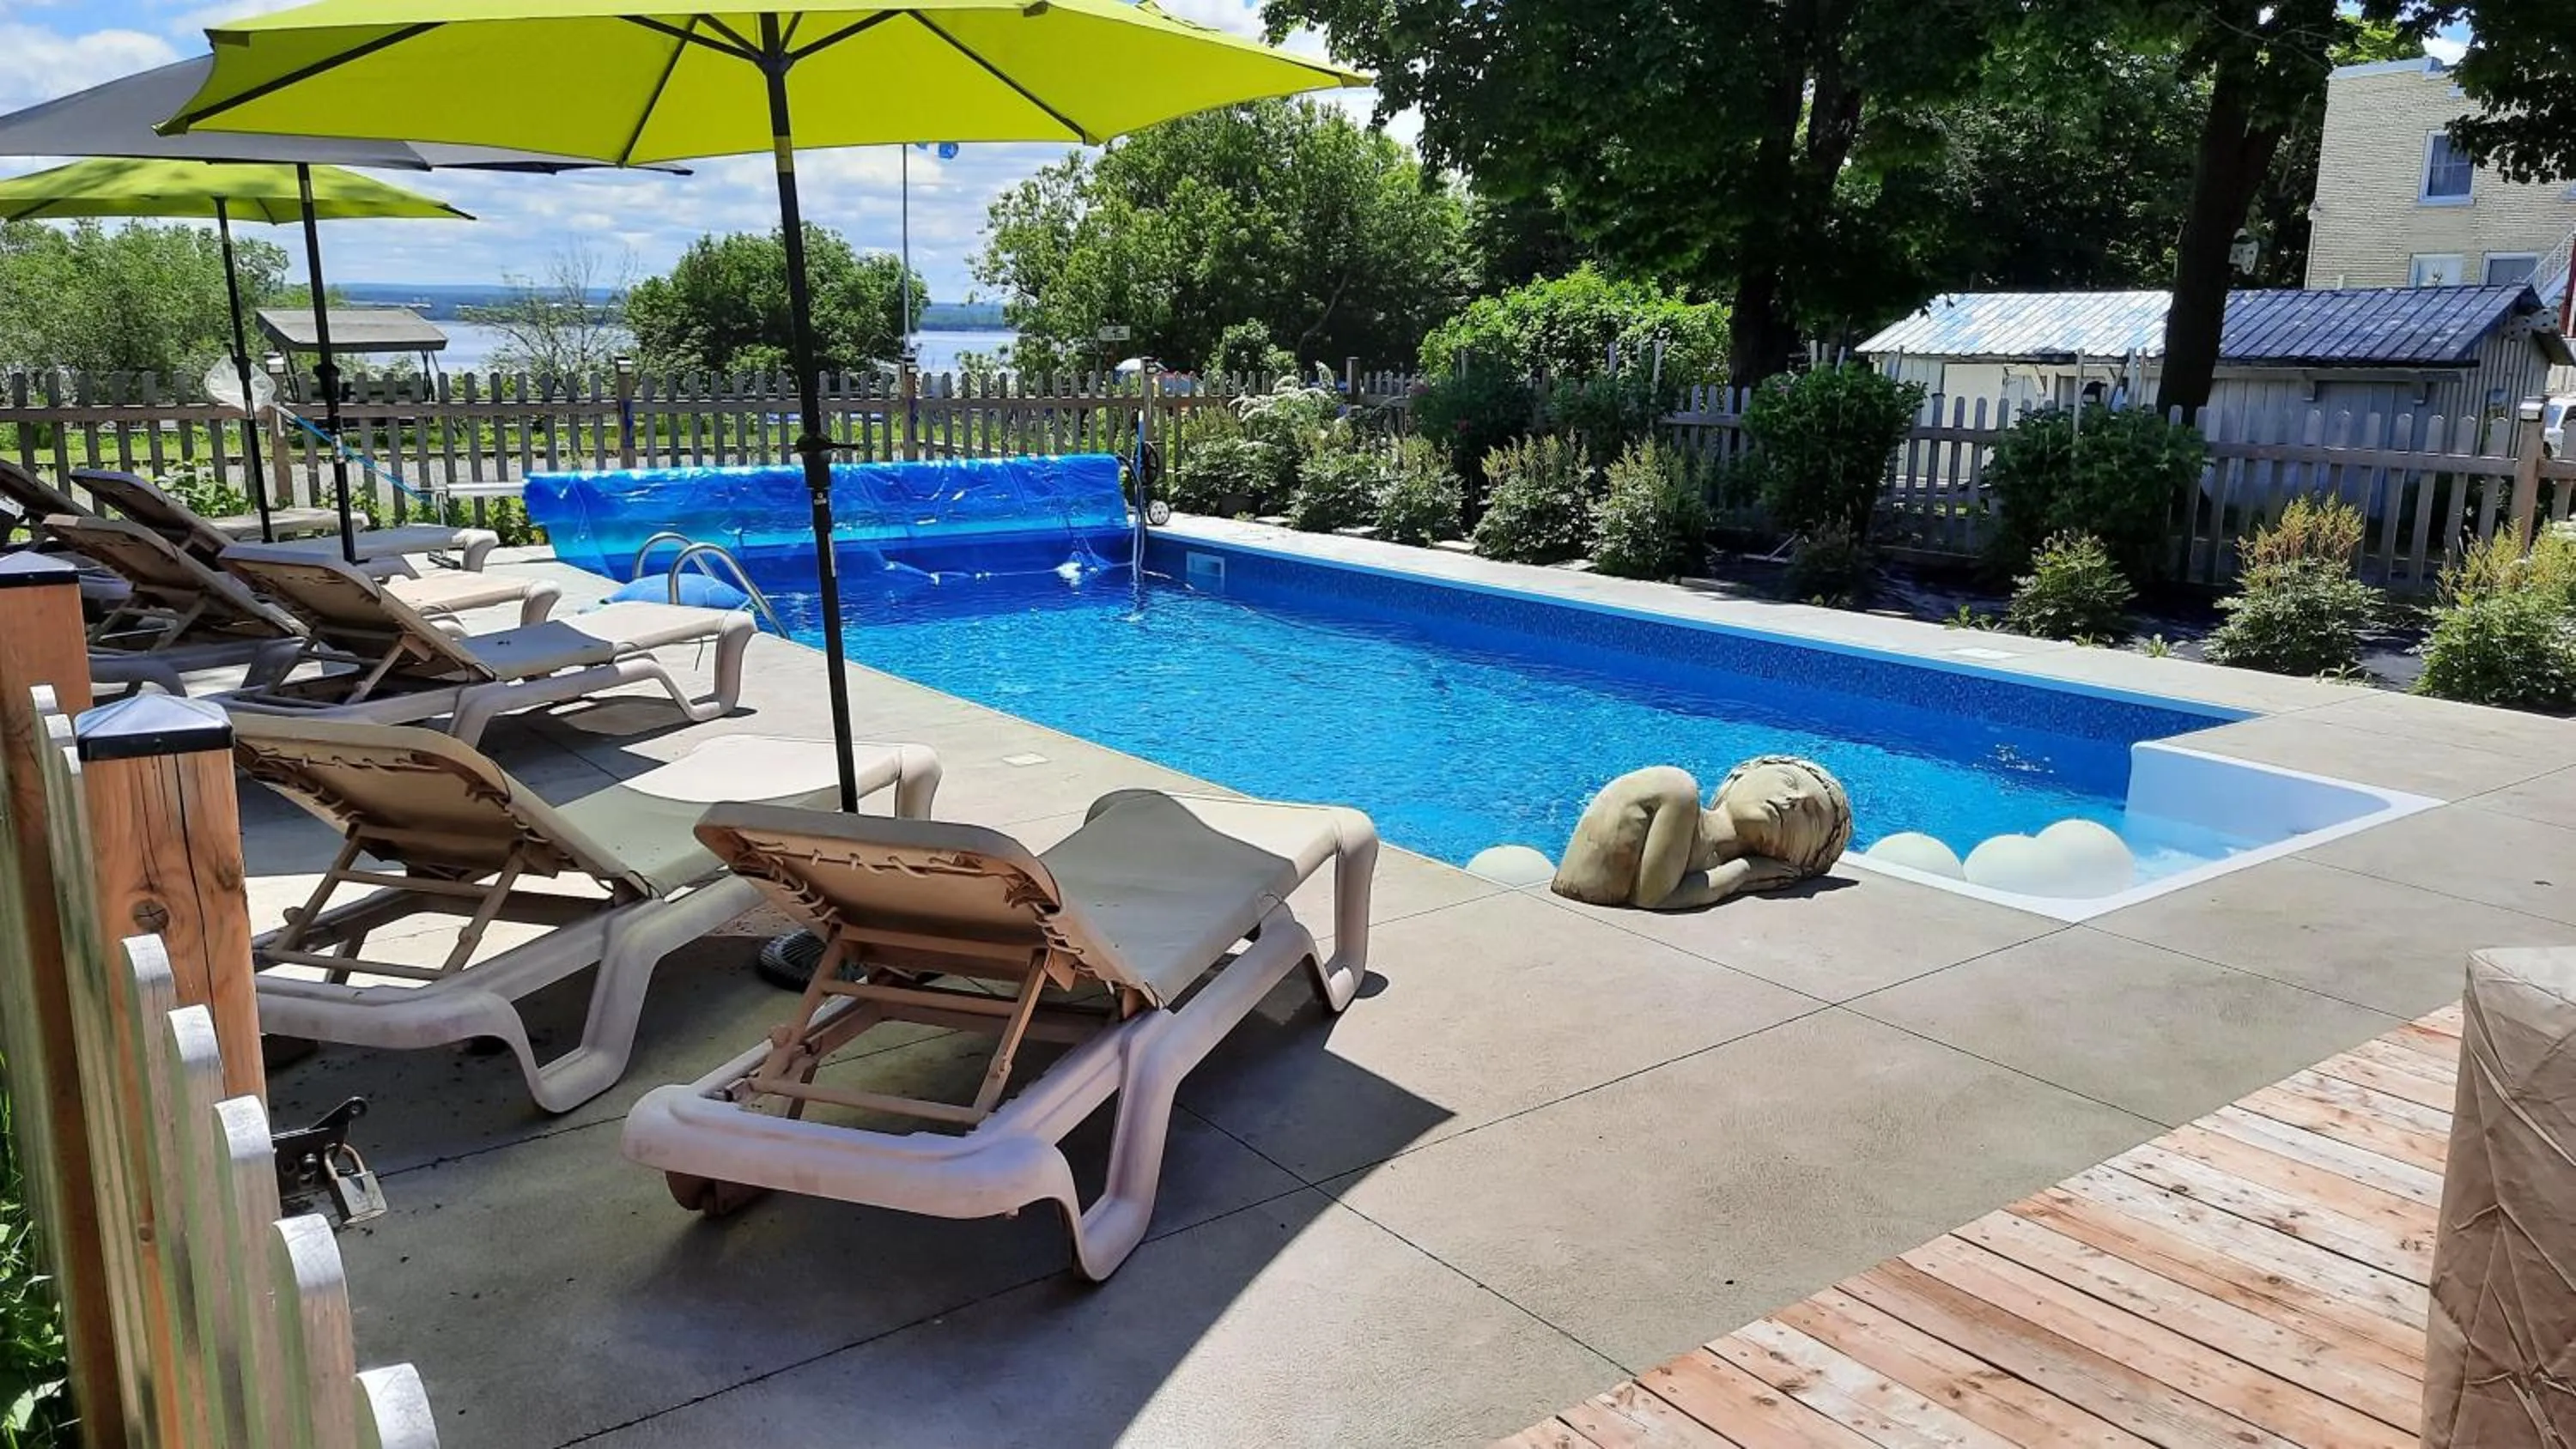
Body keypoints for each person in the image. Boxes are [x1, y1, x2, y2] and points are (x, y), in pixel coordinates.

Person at [1551, 755, 1852, 911]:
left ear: (1802, 861)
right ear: (1742, 774)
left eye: (1811, 816)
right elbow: (1656, 896)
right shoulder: (1677, 793)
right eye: (1787, 781)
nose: (1794, 801)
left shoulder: (1706, 852)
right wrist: (1744, 873)